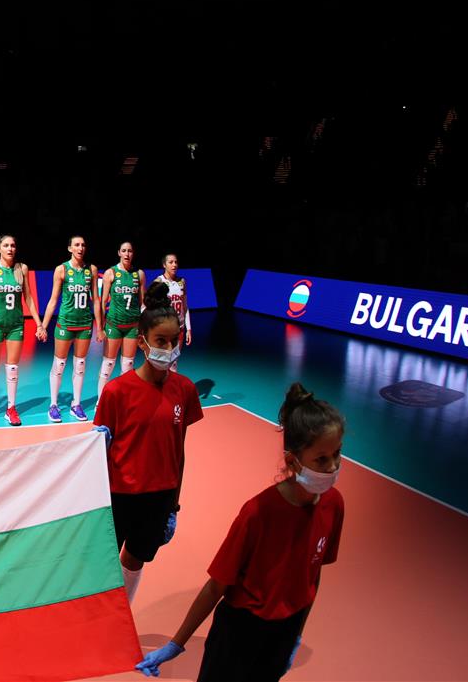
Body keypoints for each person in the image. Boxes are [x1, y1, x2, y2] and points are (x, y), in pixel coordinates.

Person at [135, 383, 346, 681]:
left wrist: (296, 634)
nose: (333, 466)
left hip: (285, 630)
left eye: (337, 454)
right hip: (241, 633)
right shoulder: (259, 513)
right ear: (292, 461)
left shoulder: (334, 504)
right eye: (321, 459)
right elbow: (216, 586)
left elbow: (312, 575)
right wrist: (176, 643)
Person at [92, 281, 203, 607]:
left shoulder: (185, 390)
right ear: (142, 342)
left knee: (134, 560)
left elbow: (179, 452)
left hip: (159, 498)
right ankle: (99, 615)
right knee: (103, 562)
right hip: (118, 496)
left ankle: (122, 615)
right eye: (160, 341)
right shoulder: (116, 392)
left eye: (173, 341)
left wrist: (174, 505)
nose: (168, 348)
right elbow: (98, 453)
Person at [0, 234, 47, 427]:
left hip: (16, 325)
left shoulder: (22, 268)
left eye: (12, 245)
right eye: (6, 245)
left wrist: (39, 324)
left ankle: (11, 408)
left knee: (12, 368)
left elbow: (29, 298)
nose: (10, 248)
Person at [41, 235, 103, 422]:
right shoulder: (61, 270)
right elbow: (53, 300)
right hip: (65, 324)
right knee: (59, 365)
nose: (80, 248)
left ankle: (76, 404)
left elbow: (96, 300)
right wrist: (43, 326)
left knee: (80, 365)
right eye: (76, 245)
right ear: (70, 248)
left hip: (84, 324)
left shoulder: (91, 270)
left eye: (83, 245)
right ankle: (53, 405)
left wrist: (100, 327)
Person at [97, 242, 145, 408]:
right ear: (119, 253)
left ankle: (124, 401)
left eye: (129, 251)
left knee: (128, 365)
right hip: (114, 325)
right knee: (108, 364)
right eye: (124, 251)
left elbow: (142, 302)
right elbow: (103, 302)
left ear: (133, 253)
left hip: (132, 326)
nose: (127, 254)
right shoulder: (111, 273)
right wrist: (100, 327)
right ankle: (101, 401)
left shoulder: (139, 274)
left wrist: (144, 326)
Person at [154, 253, 192, 364]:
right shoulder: (159, 282)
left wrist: (188, 329)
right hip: (165, 329)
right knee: (163, 362)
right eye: (170, 262)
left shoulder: (182, 282)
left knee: (174, 362)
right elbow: (150, 305)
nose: (174, 265)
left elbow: (185, 306)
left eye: (176, 262)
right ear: (164, 265)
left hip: (179, 328)